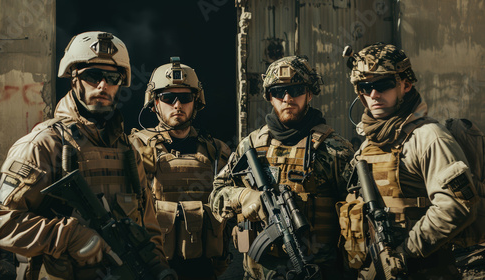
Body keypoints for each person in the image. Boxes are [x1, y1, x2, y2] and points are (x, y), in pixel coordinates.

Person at [0, 31, 174, 280]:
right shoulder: (44, 144)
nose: (102, 85)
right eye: (92, 75)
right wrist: (70, 236)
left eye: (112, 77)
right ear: (73, 78)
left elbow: (148, 226)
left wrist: (158, 267)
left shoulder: (127, 151)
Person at [209, 56, 355, 279]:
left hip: (317, 272)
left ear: (310, 93)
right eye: (278, 92)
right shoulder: (251, 146)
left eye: (296, 89)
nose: (287, 98)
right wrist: (244, 196)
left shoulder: (334, 150)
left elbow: (357, 217)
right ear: (269, 97)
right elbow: (216, 195)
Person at [341, 43, 478, 279]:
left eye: (383, 84)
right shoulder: (367, 145)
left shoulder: (429, 137)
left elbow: (457, 205)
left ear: (405, 85)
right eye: (365, 87)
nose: (373, 94)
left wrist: (404, 252)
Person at [129, 57, 232, 280]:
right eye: (168, 97)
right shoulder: (134, 148)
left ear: (196, 101)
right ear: (155, 102)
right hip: (154, 267)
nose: (177, 105)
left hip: (204, 268)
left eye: (185, 97)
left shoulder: (217, 151)